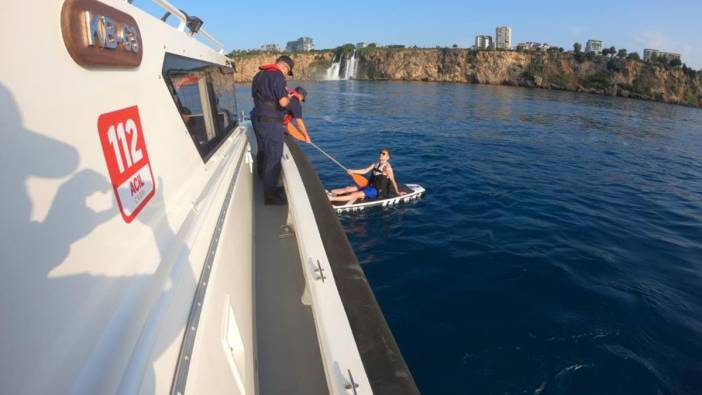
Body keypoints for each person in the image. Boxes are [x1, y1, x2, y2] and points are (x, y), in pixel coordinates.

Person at [251, 55, 294, 205]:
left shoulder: (258, 75)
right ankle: (270, 195)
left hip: (257, 117)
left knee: (262, 150)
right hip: (270, 121)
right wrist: (289, 97)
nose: (286, 74)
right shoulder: (277, 76)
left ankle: (262, 178)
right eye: (287, 71)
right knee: (274, 156)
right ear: (284, 67)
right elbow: (282, 102)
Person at [328, 148, 406, 203]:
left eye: (383, 154)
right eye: (380, 153)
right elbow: (365, 170)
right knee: (348, 188)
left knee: (355, 195)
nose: (381, 154)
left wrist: (398, 192)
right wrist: (352, 171)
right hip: (369, 185)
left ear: (388, 157)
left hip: (376, 191)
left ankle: (331, 198)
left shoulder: (387, 168)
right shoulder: (376, 163)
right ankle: (329, 192)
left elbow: (393, 180)